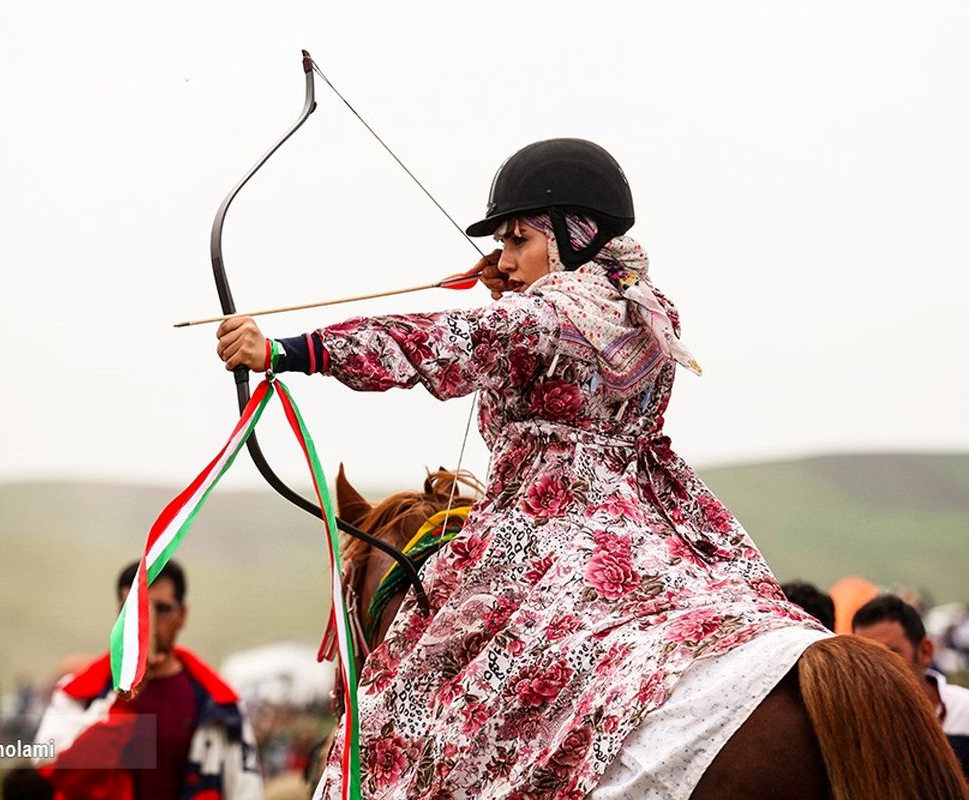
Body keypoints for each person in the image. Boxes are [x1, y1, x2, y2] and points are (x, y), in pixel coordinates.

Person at [216, 138, 830, 798]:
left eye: (517, 240)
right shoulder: (645, 307)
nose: (503, 259)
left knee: (414, 691)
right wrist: (516, 282)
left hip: (547, 525)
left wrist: (286, 349)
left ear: (571, 236)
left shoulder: (541, 319)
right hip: (657, 524)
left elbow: (432, 342)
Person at [33, 560, 263, 799]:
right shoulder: (81, 693)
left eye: (160, 610)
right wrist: (121, 704)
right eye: (134, 609)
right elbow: (50, 771)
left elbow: (246, 790)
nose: (146, 622)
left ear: (182, 615)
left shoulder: (219, 705)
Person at [853, 594, 969, 774]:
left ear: (925, 652)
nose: (877, 667)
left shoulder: (965, 712)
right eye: (865, 656)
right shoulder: (856, 726)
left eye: (891, 654)